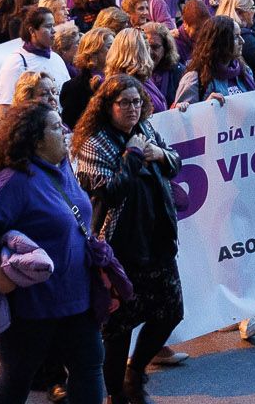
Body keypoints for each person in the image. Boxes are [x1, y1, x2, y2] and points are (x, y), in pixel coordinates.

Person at [0, 99, 106, 404]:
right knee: (18, 376)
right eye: (57, 127)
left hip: (78, 300)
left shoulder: (63, 167)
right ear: (36, 138)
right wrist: (1, 281)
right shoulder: (15, 180)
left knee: (89, 367)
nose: (66, 132)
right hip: (33, 308)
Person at [72, 77, 183, 404]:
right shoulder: (94, 143)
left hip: (159, 240)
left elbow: (175, 163)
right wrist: (133, 156)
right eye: (125, 103)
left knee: (171, 311)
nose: (133, 108)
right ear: (108, 106)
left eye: (137, 102)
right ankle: (118, 393)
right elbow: (108, 191)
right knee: (119, 328)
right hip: (121, 246)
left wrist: (159, 153)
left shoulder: (146, 130)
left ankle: (136, 371)